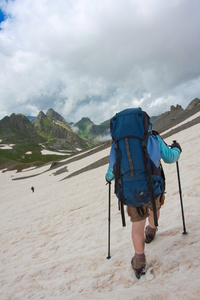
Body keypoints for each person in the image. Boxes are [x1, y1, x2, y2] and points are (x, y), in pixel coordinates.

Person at [105, 117, 182, 278]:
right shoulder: (153, 138)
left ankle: (139, 261)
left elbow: (112, 171)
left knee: (137, 225)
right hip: (153, 187)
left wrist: (108, 178)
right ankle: (152, 231)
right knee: (154, 208)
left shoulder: (117, 144)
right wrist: (177, 149)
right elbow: (170, 158)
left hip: (131, 191)